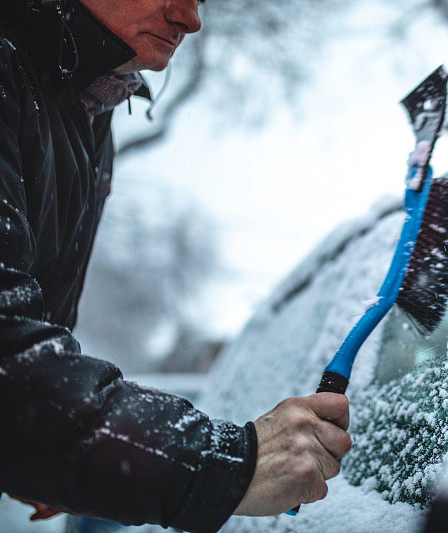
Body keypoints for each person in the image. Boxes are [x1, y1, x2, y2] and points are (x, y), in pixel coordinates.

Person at [0, 0, 352, 531]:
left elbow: (32, 349)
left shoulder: (82, 106)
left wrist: (54, 451)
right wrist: (230, 466)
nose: (191, 18)